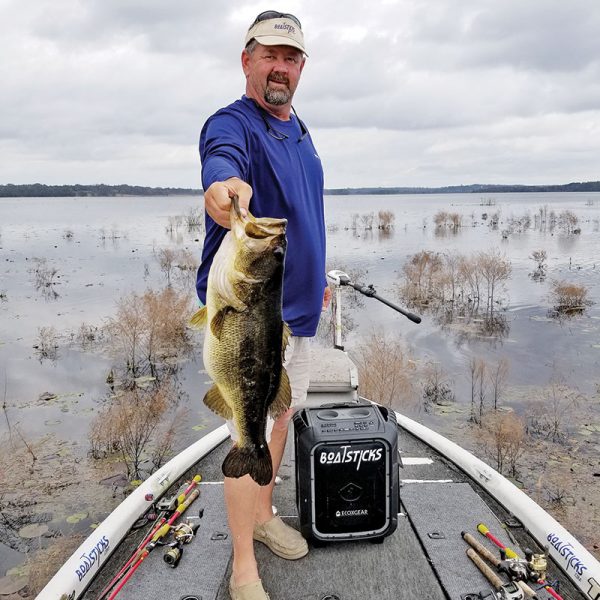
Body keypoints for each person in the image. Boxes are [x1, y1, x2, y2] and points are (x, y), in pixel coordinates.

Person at [196, 11, 331, 600]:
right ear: (246, 59)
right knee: (244, 426)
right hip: (250, 319)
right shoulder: (234, 123)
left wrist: (317, 277)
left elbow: (304, 213)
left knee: (281, 415)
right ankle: (243, 564)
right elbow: (220, 161)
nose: (281, 67)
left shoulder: (299, 128)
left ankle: (265, 510)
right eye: (270, 55)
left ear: (302, 67)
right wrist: (223, 188)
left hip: (297, 310)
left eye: (292, 57)